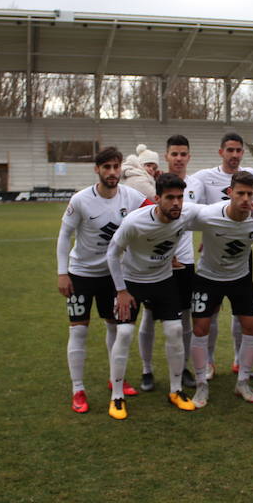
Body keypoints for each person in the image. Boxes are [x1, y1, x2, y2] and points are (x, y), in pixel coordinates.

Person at [55, 147, 150, 417]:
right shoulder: (81, 200)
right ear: (97, 169)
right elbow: (64, 236)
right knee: (79, 331)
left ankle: (115, 379)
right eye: (106, 167)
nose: (112, 172)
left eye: (115, 167)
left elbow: (158, 212)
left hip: (113, 275)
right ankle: (78, 389)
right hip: (81, 274)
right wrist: (63, 272)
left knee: (115, 328)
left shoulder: (131, 196)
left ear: (121, 169)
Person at [106, 173, 203, 419]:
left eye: (180, 198)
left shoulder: (186, 214)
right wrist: (121, 291)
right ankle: (117, 395)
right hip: (132, 283)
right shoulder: (135, 222)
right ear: (157, 199)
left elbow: (216, 211)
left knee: (174, 331)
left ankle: (176, 390)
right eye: (170, 198)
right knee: (125, 332)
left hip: (163, 281)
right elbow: (112, 254)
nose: (176, 204)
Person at [186, 171, 253, 407]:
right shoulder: (208, 214)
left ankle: (243, 381)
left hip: (239, 278)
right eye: (240, 193)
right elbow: (177, 222)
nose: (245, 198)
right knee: (201, 328)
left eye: (250, 194)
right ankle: (201, 385)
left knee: (252, 327)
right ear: (230, 193)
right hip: (207, 277)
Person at [187, 133, 253, 379]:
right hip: (212, 253)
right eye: (230, 150)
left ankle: (240, 360)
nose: (234, 155)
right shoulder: (203, 177)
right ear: (221, 152)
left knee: (241, 312)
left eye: (239, 150)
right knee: (210, 313)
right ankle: (207, 362)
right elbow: (186, 201)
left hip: (241, 254)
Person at [136, 135, 196, 392]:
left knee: (185, 318)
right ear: (166, 156)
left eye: (183, 154)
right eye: (175, 154)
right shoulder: (154, 186)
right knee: (149, 317)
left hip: (186, 262)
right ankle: (147, 369)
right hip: (157, 263)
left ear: (189, 157)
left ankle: (182, 367)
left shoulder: (198, 182)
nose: (179, 158)